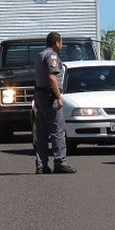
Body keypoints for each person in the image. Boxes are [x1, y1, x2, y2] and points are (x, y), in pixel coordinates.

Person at [33, 31, 76, 174]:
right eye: (61, 42)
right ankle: (60, 162)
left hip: (39, 94)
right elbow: (52, 77)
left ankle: (41, 165)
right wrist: (58, 97)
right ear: (57, 43)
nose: (62, 45)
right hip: (49, 95)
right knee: (58, 130)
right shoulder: (52, 56)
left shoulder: (40, 55)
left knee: (42, 132)